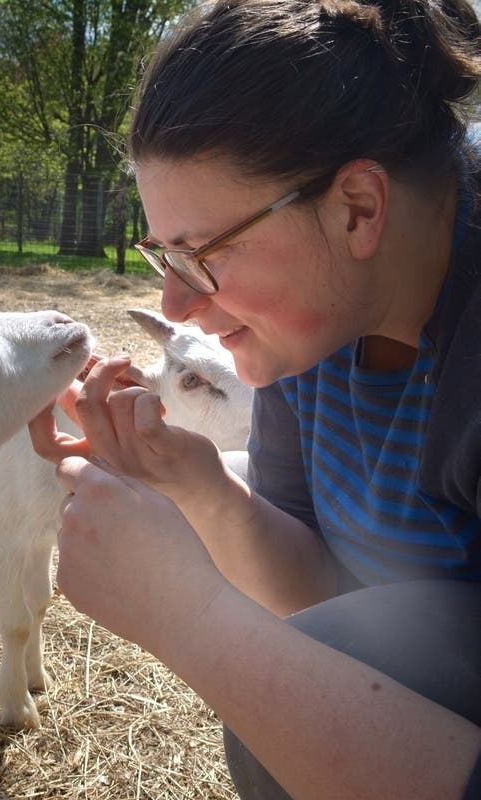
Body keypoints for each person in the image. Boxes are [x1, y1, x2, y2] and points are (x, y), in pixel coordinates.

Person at [28, 1, 481, 797]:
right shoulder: (314, 323)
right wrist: (193, 484)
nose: (172, 305)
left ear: (358, 209)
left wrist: (192, 621)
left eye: (198, 254)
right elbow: (323, 592)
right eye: (160, 254)